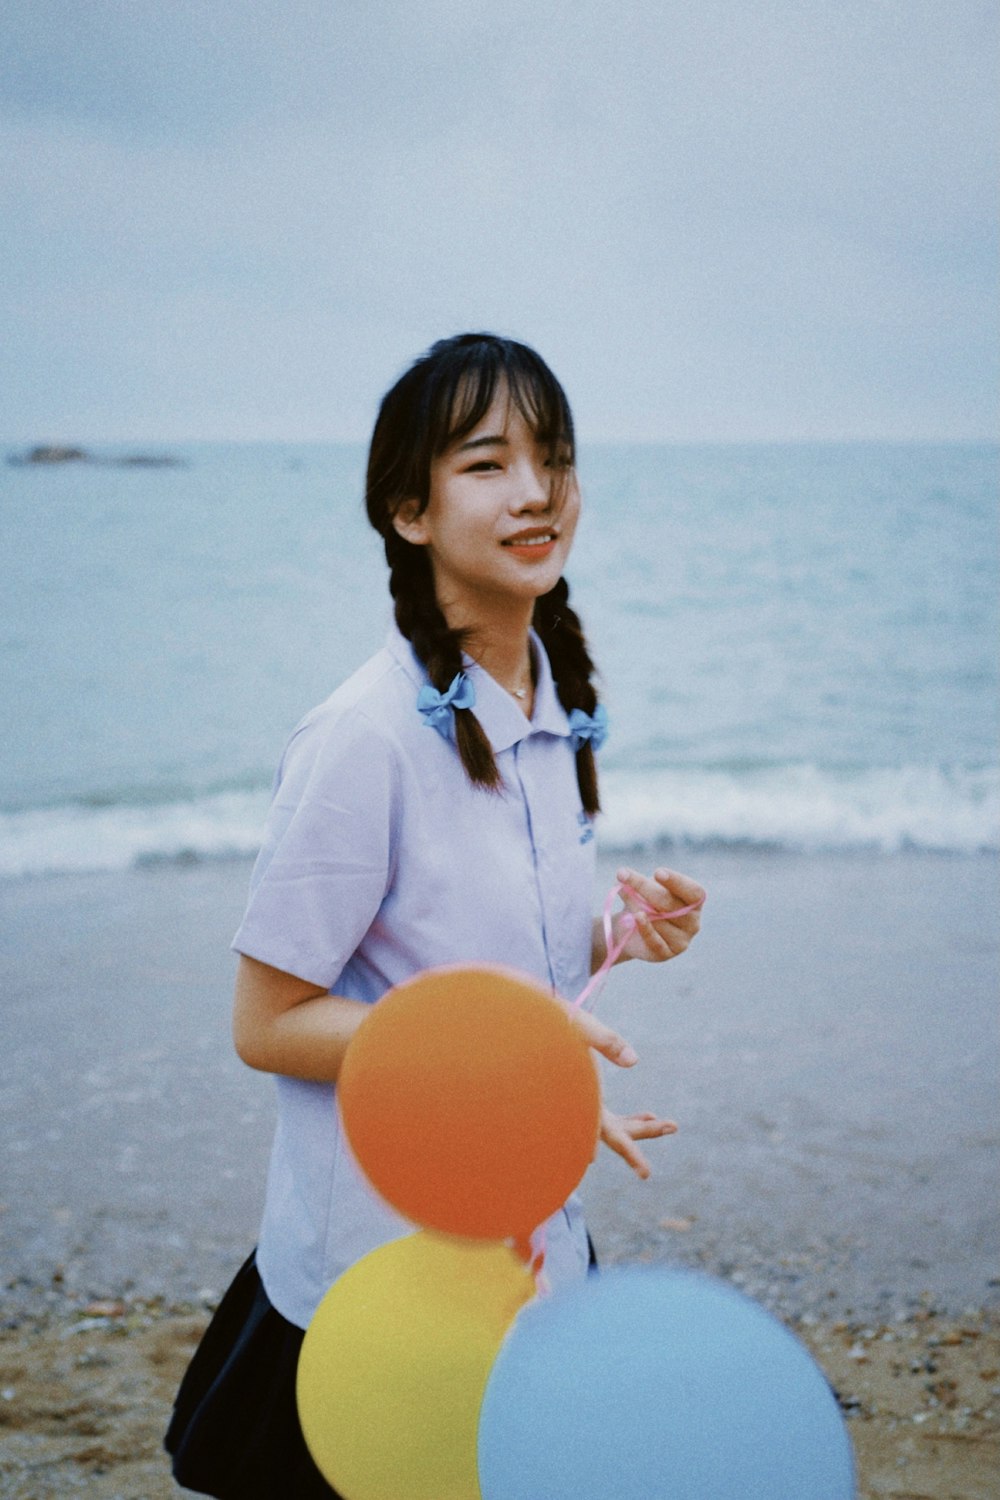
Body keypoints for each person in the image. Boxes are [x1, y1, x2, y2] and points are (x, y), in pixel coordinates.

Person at [166, 333, 705, 1497]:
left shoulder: (550, 702)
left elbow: (498, 951)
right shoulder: (363, 736)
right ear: (408, 510)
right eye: (485, 463)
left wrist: (622, 931)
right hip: (382, 1261)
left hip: (533, 1226)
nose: (535, 492)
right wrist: (492, 1032)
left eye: (553, 457)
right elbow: (266, 1023)